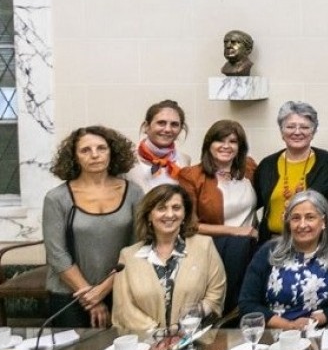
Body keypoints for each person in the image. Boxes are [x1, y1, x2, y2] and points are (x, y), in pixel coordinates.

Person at [43, 126, 144, 327]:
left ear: (112, 152)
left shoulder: (134, 193)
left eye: (101, 148)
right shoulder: (56, 198)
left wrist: (104, 289)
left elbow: (138, 247)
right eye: (85, 150)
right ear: (74, 157)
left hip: (119, 288)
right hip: (69, 294)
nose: (95, 155)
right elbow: (56, 254)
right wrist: (89, 295)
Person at [112, 185, 225, 334]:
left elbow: (215, 294)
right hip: (146, 343)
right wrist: (160, 333)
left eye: (176, 208)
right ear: (149, 215)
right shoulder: (128, 256)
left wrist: (184, 325)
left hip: (193, 339)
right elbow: (124, 309)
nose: (170, 214)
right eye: (161, 208)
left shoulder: (204, 246)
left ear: (185, 214)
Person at [239, 190, 328, 330]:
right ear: (288, 222)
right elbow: (247, 303)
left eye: (310, 217)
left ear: (323, 221)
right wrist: (289, 326)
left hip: (317, 333)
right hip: (272, 333)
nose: (302, 225)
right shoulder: (269, 251)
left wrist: (314, 321)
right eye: (295, 218)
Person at [177, 120, 258, 315]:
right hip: (216, 248)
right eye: (219, 141)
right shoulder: (191, 176)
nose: (226, 146)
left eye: (233, 141)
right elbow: (189, 225)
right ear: (208, 144)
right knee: (227, 304)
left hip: (251, 247)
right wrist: (235, 231)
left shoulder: (248, 168)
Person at [253, 101, 328, 241]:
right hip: (273, 243)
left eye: (304, 127)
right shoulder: (267, 165)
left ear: (313, 132)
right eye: (290, 126)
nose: (297, 132)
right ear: (282, 132)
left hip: (317, 244)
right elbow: (251, 202)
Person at [126, 100, 192, 191]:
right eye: (161, 123)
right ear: (146, 126)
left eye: (174, 124)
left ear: (180, 129)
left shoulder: (185, 160)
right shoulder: (127, 159)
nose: (168, 129)